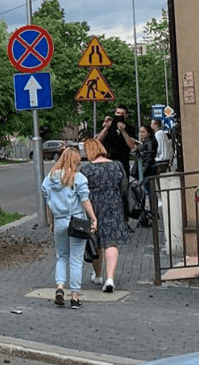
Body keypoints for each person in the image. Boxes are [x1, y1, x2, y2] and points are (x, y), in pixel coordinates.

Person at [41, 147, 98, 309]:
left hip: (59, 221)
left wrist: (50, 222)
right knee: (75, 260)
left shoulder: (49, 179)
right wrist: (93, 219)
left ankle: (59, 288)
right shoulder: (78, 178)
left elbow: (48, 203)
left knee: (61, 257)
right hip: (77, 221)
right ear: (75, 161)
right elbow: (85, 201)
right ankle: (74, 296)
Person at [80, 138, 129, 292]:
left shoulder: (86, 170)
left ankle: (98, 275)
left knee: (96, 242)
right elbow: (124, 186)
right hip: (114, 205)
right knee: (111, 242)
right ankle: (110, 279)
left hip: (93, 207)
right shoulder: (117, 165)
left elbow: (81, 192)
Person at [96, 105, 136, 174]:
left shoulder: (130, 128)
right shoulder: (110, 126)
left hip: (123, 162)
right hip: (109, 161)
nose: (120, 115)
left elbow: (132, 146)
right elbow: (97, 141)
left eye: (122, 114)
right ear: (114, 114)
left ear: (126, 115)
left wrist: (123, 131)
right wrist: (106, 128)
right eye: (118, 113)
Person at [133, 125, 158, 226]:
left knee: (149, 191)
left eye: (143, 132)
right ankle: (153, 211)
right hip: (147, 170)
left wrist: (143, 171)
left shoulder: (150, 143)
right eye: (140, 132)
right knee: (149, 191)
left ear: (148, 133)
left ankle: (153, 212)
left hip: (148, 171)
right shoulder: (148, 142)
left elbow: (148, 158)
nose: (141, 134)